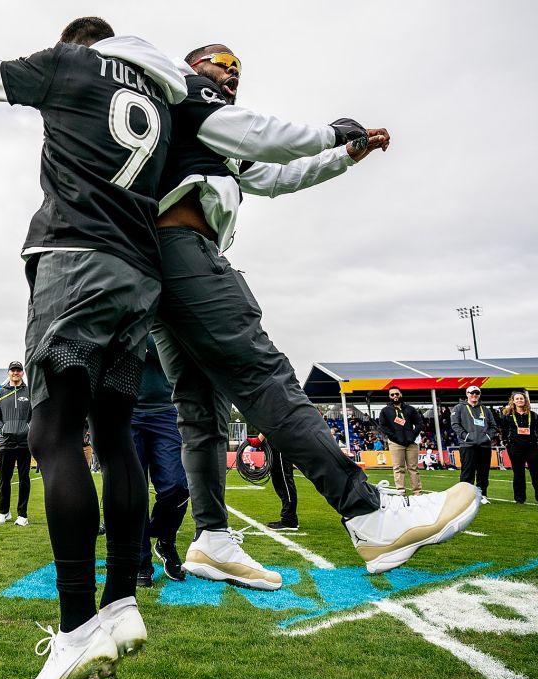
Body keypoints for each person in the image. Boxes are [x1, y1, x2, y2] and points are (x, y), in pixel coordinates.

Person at [148, 42, 477, 593]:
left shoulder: (195, 133)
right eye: (222, 64)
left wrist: (343, 157)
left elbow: (275, 176)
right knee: (263, 378)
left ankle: (212, 537)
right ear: (194, 67)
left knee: (201, 412)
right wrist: (332, 133)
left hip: (156, 263)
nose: (232, 75)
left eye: (238, 70)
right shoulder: (188, 97)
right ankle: (369, 515)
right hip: (183, 250)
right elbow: (261, 135)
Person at [0, 17, 188, 679]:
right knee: (115, 437)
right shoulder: (158, 93)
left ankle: (74, 624)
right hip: (137, 277)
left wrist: (50, 72)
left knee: (53, 434)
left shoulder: (73, 64)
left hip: (75, 261)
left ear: (78, 42)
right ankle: (121, 599)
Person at [130, 338, 189, 585]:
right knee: (134, 492)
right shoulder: (120, 311)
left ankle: (165, 540)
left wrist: (142, 334)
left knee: (178, 486)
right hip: (127, 411)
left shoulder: (162, 316)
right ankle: (141, 562)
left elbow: (172, 352)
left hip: (165, 410)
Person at [0, 361, 33, 526]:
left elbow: (36, 412)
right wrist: (2, 429)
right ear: (8, 373)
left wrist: (28, 427)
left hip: (24, 442)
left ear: (22, 373)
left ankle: (22, 515)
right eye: (13, 370)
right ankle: (4, 513)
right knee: (4, 479)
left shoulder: (30, 392)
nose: (16, 373)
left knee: (24, 478)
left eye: (18, 370)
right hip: (6, 442)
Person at [451, 385, 497, 503]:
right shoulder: (459, 408)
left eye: (476, 393)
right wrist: (466, 436)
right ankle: (465, 497)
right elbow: (455, 424)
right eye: (471, 393)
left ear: (479, 395)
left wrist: (487, 437)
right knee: (467, 472)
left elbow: (493, 426)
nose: (474, 395)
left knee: (483, 472)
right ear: (467, 394)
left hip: (484, 446)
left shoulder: (485, 410)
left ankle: (482, 495)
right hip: (467, 445)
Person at [502, 391, 538, 505]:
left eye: (521, 398)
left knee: (536, 473)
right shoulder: (508, 416)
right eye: (517, 399)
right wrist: (506, 442)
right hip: (515, 447)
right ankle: (519, 498)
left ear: (525, 400)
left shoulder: (533, 415)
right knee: (518, 473)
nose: (519, 400)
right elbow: (504, 430)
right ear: (513, 401)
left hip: (532, 447)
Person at [377, 386, 424, 495]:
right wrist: (394, 437)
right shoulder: (385, 411)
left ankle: (417, 493)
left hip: (411, 443)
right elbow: (383, 426)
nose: (395, 396)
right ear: (389, 396)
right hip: (395, 443)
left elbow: (419, 423)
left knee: (413, 468)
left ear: (401, 394)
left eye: (397, 394)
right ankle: (401, 492)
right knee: (398, 468)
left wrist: (413, 436)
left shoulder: (410, 409)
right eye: (392, 394)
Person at [262, 434, 299, 530]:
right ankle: (289, 517)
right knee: (278, 481)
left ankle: (289, 520)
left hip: (281, 441)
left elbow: (274, 421)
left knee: (284, 481)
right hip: (275, 441)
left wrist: (259, 438)